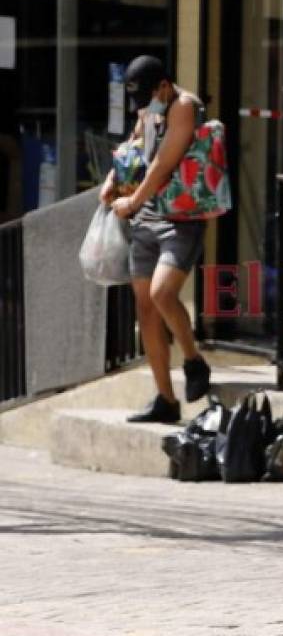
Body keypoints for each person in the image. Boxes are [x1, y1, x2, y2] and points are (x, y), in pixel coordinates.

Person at [99, 55, 211, 423]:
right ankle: (165, 399)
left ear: (164, 86)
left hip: (180, 217)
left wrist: (132, 200)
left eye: (148, 99)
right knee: (145, 307)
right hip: (147, 218)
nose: (144, 109)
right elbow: (133, 147)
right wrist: (112, 182)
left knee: (163, 292)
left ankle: (193, 361)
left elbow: (163, 162)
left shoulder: (183, 106)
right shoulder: (149, 107)